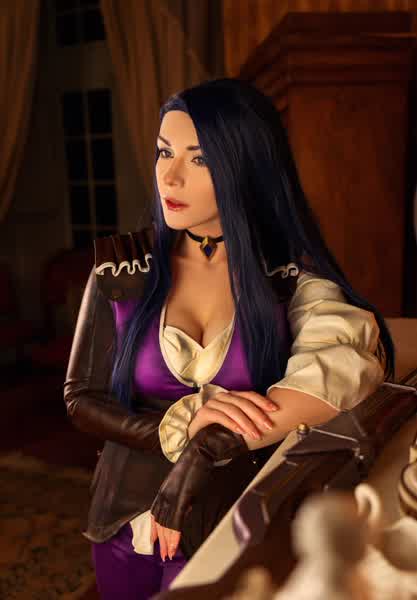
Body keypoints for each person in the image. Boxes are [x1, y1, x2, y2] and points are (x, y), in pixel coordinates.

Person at [63, 77, 394, 600]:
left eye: (199, 159)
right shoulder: (121, 270)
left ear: (246, 165)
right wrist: (177, 428)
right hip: (121, 520)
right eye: (164, 152)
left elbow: (337, 373)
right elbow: (80, 398)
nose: (169, 176)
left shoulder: (288, 281)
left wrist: (205, 448)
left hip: (226, 519)